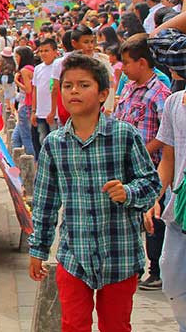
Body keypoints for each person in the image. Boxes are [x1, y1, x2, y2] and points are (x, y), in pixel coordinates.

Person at [29, 54, 160, 332]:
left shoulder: (125, 135)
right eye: (67, 85)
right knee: (73, 324)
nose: (74, 91)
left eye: (83, 85)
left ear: (102, 94)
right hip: (74, 256)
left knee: (116, 325)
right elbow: (45, 202)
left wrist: (128, 192)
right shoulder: (54, 144)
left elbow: (151, 185)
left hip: (120, 256)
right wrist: (38, 249)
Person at [113, 33, 170, 292]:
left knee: (152, 221)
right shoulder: (129, 87)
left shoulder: (160, 93)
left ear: (143, 63)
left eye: (127, 63)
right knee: (131, 220)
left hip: (151, 168)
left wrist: (142, 151)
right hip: (125, 168)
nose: (123, 68)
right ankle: (132, 267)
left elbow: (165, 134)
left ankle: (155, 270)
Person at [146, 85, 186, 330]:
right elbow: (168, 159)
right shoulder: (174, 103)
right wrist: (154, 198)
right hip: (179, 211)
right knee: (171, 279)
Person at [31, 38, 61, 159]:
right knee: (42, 140)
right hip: (40, 112)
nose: (43, 53)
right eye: (41, 51)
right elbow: (35, 90)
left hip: (54, 113)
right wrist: (33, 111)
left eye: (46, 50)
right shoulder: (38, 68)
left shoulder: (58, 66)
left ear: (55, 52)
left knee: (55, 142)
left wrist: (53, 111)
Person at [12, 46, 36, 156]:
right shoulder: (32, 68)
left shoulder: (25, 70)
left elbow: (28, 89)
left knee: (26, 138)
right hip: (28, 106)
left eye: (17, 56)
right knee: (16, 138)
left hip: (26, 106)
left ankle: (32, 163)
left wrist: (16, 81)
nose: (15, 59)